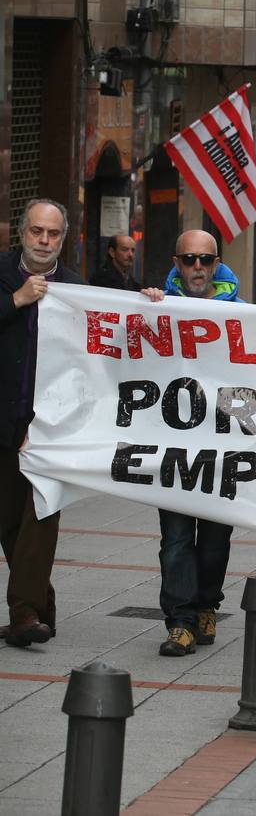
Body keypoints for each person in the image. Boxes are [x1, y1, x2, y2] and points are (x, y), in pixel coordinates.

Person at [0, 200, 85, 647]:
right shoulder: (1, 275)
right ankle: (39, 607)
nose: (44, 241)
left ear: (63, 238)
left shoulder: (76, 289)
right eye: (37, 231)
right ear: (22, 232)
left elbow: (90, 360)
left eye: (53, 234)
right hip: (2, 418)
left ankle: (24, 614)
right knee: (9, 522)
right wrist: (17, 300)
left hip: (48, 426)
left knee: (40, 515)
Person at [155, 230, 244, 656]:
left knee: (213, 542)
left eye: (204, 260)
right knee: (174, 541)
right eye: (188, 259)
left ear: (216, 264)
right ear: (176, 262)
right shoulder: (159, 307)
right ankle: (181, 623)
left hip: (222, 451)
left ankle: (207, 604)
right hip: (173, 449)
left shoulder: (245, 315)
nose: (196, 268)